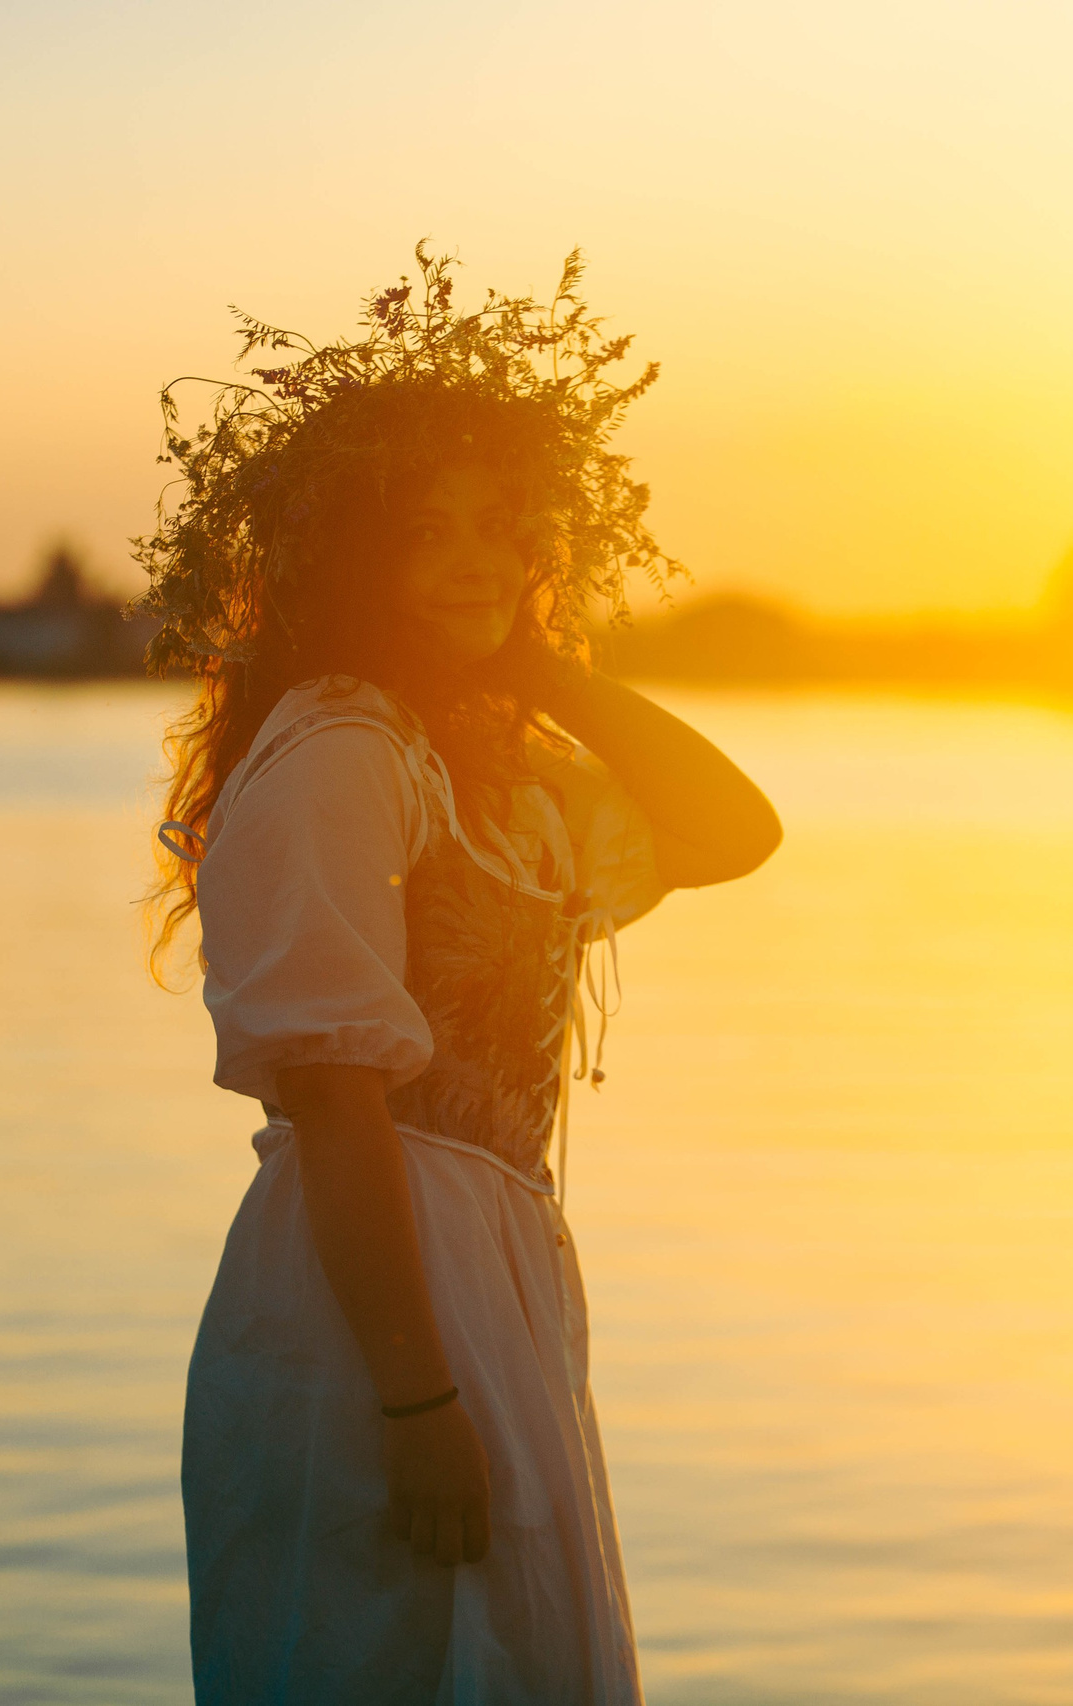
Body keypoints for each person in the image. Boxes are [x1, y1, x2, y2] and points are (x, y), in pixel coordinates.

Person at [140, 249, 780, 1704]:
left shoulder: (490, 765)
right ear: (346, 560)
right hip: (375, 1299)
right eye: (427, 532)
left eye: (502, 528)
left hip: (491, 1278)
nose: (474, 560)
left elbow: (734, 833)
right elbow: (335, 1095)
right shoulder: (344, 752)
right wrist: (417, 1396)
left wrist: (545, 669)